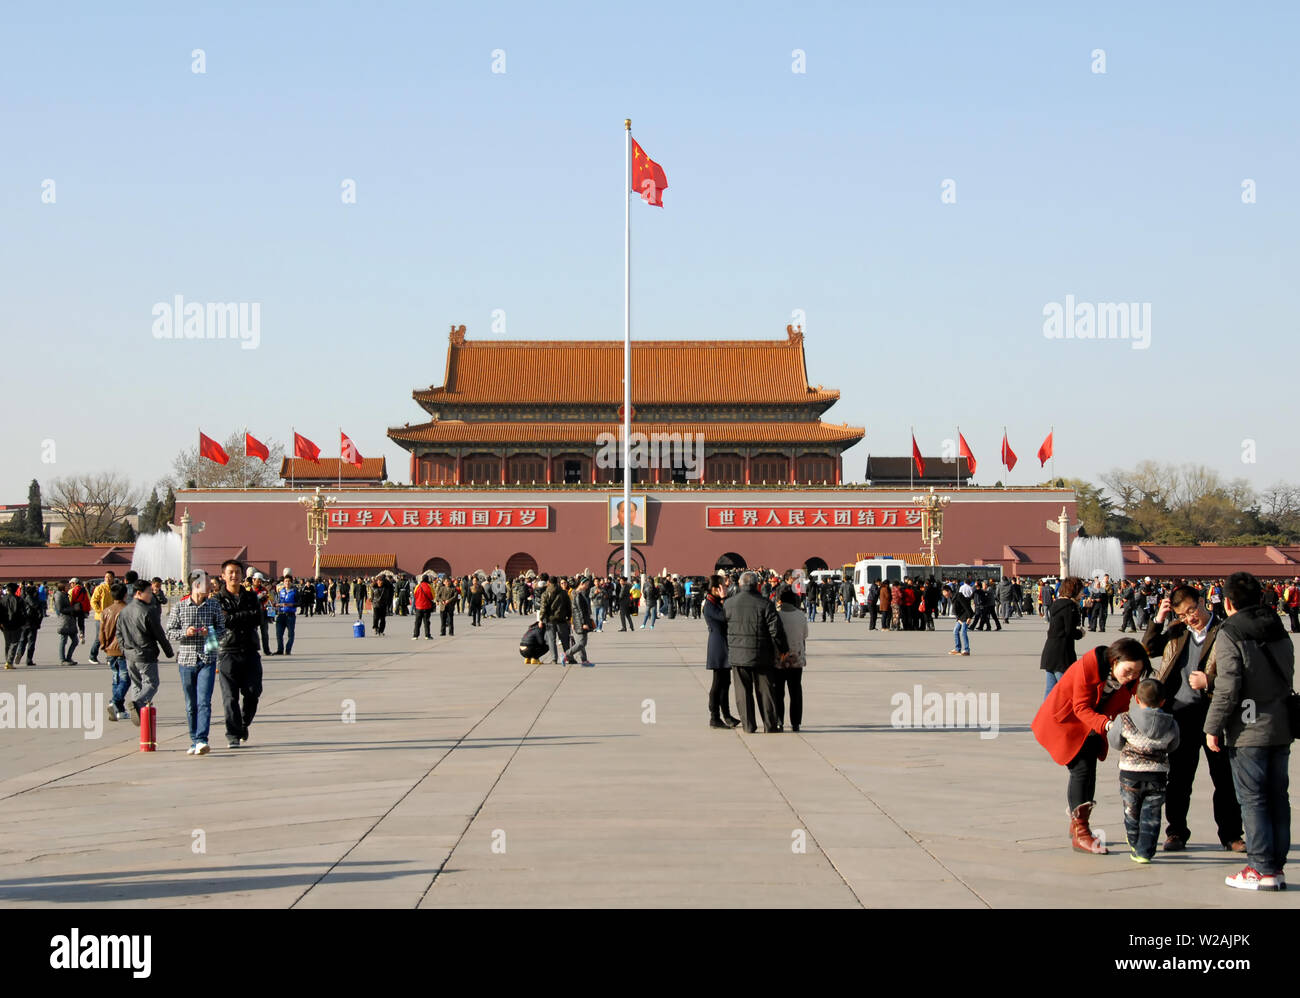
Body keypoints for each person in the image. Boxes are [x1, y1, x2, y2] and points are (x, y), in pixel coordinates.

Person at [1205, 571, 1294, 891]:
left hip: (1247, 729)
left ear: (1227, 602)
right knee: (1277, 798)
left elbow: (1228, 686)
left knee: (1253, 799)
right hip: (1280, 723)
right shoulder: (1278, 627)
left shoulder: (1230, 631)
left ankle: (1259, 867)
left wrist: (1212, 726)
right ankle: (1275, 867)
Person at [1142, 585, 1243, 853]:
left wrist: (1208, 681)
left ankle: (1232, 834)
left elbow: (1239, 671)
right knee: (1179, 778)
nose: (1190, 618)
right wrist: (1159, 619)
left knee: (1224, 778)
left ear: (1202, 602)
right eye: (1183, 615)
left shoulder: (1224, 630)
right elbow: (1147, 649)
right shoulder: (1177, 631)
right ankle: (1176, 832)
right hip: (1180, 714)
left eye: (1191, 611)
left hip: (1215, 715)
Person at [1031, 638, 1150, 854]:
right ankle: (1081, 832)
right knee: (1082, 770)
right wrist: (1108, 725)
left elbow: (1123, 705)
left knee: (1089, 771)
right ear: (1115, 660)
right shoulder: (1090, 665)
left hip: (1094, 726)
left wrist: (1126, 729)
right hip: (1067, 720)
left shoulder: (1129, 680)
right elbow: (1080, 707)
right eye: (1129, 670)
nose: (1132, 676)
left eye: (1136, 672)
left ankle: (1078, 825)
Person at [1107, 677, 1180, 862]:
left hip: (1130, 774)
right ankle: (1144, 852)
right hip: (1157, 775)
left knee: (1131, 810)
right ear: (1163, 701)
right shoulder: (1171, 723)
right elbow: (1173, 745)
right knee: (1152, 814)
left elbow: (1115, 741)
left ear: (1137, 700)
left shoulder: (1125, 719)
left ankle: (1133, 841)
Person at [166, 571, 226, 756]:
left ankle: (202, 739)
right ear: (196, 585)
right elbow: (169, 632)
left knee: (204, 701)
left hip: (207, 658)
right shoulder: (180, 607)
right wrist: (186, 632)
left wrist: (210, 633)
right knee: (191, 704)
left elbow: (223, 631)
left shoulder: (214, 606)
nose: (211, 585)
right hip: (186, 659)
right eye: (207, 582)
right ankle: (193, 739)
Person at [724, 571, 788, 733]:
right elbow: (776, 631)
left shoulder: (729, 604)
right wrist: (783, 650)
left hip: (738, 656)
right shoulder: (765, 604)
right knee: (766, 691)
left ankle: (748, 725)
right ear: (756, 585)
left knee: (742, 692)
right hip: (762, 655)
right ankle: (770, 724)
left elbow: (722, 628)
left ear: (740, 584)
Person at [215, 559, 263, 750]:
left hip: (250, 650)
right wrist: (244, 616)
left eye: (237, 572)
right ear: (223, 576)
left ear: (243, 575)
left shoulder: (251, 597)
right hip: (227, 651)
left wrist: (234, 616)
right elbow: (222, 621)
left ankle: (243, 723)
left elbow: (258, 618)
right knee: (230, 697)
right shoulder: (217, 600)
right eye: (230, 572)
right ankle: (233, 733)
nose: (234, 575)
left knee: (253, 692)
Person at [116, 580, 176, 724]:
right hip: (145, 653)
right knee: (151, 683)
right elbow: (159, 634)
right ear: (138, 593)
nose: (151, 595)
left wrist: (123, 648)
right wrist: (168, 651)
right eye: (149, 592)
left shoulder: (124, 610)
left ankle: (139, 714)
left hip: (129, 654)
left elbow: (118, 632)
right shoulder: (148, 611)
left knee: (137, 684)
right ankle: (138, 704)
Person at [703, 575, 740, 729]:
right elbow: (725, 617)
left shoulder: (716, 602)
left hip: (724, 645)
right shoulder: (709, 605)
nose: (725, 588)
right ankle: (714, 717)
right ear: (714, 589)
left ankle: (727, 715)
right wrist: (725, 599)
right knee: (717, 683)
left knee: (726, 682)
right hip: (718, 647)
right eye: (722, 586)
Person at [1040, 577, 1085, 697]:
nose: (1082, 594)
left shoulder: (1057, 604)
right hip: (1062, 654)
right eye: (1081, 591)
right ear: (1073, 590)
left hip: (1050, 651)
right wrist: (1081, 633)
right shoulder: (1069, 606)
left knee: (1051, 690)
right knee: (1068, 689)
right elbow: (1069, 631)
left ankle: (1046, 714)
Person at [775, 588, 808, 732]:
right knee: (795, 691)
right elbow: (805, 635)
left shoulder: (777, 615)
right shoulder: (801, 615)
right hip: (796, 659)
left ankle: (779, 721)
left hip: (779, 660)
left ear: (781, 601)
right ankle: (796, 723)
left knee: (778, 692)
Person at [98, 582, 131, 722]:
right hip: (122, 650)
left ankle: (120, 710)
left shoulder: (106, 611)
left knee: (116, 679)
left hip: (109, 650)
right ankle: (114, 701)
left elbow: (101, 631)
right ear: (125, 595)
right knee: (125, 679)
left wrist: (104, 645)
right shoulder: (127, 610)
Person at [567, 577, 594, 666]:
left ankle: (584, 660)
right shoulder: (577, 595)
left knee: (580, 642)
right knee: (582, 642)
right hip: (580, 621)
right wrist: (584, 623)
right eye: (587, 584)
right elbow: (580, 611)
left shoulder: (578, 593)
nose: (588, 586)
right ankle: (566, 655)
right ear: (582, 584)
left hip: (577, 621)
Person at [15, 582, 42, 666]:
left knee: (22, 640)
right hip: (32, 623)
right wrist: (39, 622)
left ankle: (19, 653)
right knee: (31, 642)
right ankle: (29, 659)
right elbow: (40, 613)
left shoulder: (21, 599)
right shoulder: (36, 601)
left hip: (24, 623)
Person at [945, 584, 972, 656]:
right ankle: (957, 649)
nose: (944, 594)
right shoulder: (951, 598)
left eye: (944, 592)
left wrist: (969, 617)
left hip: (966, 616)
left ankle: (966, 650)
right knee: (955, 631)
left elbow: (966, 606)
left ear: (949, 591)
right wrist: (958, 619)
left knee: (963, 632)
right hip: (960, 617)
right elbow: (957, 610)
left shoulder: (958, 596)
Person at [1, 583, 23, 669]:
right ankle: (9, 661)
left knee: (7, 643)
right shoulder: (19, 600)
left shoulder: (2, 600)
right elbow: (22, 613)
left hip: (5, 625)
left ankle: (7, 661)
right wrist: (22, 623)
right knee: (14, 642)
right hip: (16, 624)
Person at [275, 575, 299, 653]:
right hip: (281, 614)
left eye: (289, 581)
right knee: (279, 634)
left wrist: (291, 604)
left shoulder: (295, 591)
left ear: (291, 582)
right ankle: (280, 650)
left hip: (290, 615)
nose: (287, 583)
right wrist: (276, 604)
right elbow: (277, 601)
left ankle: (288, 650)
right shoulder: (281, 591)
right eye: (286, 581)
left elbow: (299, 602)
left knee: (290, 634)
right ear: (283, 582)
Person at [411, 574, 435, 639]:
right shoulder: (429, 586)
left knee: (417, 622)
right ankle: (427, 635)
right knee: (426, 622)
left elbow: (415, 594)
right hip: (427, 606)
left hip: (418, 606)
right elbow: (433, 596)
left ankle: (415, 635)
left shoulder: (418, 586)